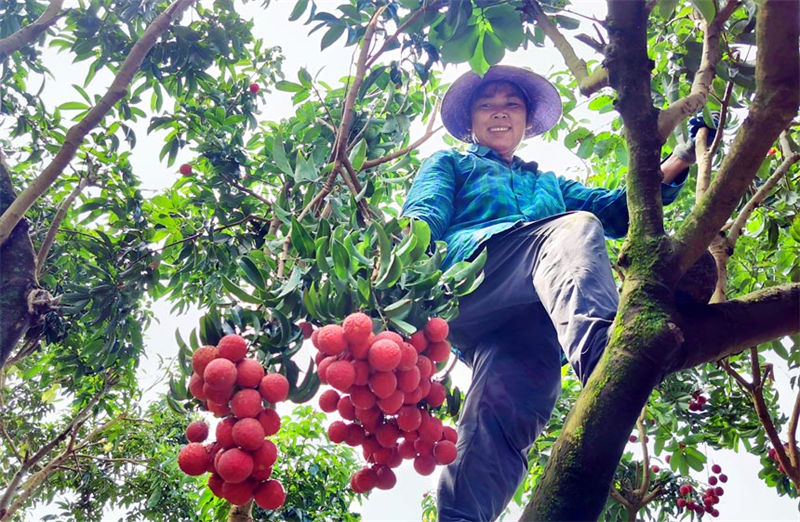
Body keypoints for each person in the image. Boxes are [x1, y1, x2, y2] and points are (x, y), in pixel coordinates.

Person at [401, 65, 704, 521]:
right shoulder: (453, 162)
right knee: (575, 229)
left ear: (525, 120)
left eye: (512, 105)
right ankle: (606, 357)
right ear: (471, 121)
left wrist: (682, 157)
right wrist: (398, 287)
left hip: (527, 321)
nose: (499, 113)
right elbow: (423, 214)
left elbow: (621, 210)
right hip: (469, 280)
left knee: (499, 426)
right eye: (487, 105)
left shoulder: (549, 185)